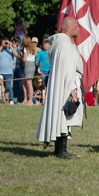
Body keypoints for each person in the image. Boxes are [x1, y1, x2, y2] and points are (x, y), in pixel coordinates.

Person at [36, 17, 83, 159]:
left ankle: (59, 149)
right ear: (67, 28)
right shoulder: (65, 45)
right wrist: (72, 89)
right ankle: (61, 150)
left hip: (60, 84)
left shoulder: (58, 43)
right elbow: (67, 70)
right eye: (76, 26)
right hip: (66, 84)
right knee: (64, 115)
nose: (78, 29)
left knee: (60, 114)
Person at [0, 36, 19, 104]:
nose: (5, 42)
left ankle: (6, 100)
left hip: (8, 72)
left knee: (7, 88)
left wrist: (10, 46)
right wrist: (2, 46)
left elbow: (16, 55)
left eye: (6, 41)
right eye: (4, 41)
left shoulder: (11, 49)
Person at [22, 36, 37, 105]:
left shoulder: (26, 49)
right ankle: (27, 99)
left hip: (28, 65)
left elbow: (25, 59)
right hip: (32, 65)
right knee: (28, 82)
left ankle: (29, 100)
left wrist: (21, 56)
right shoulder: (33, 48)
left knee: (28, 83)